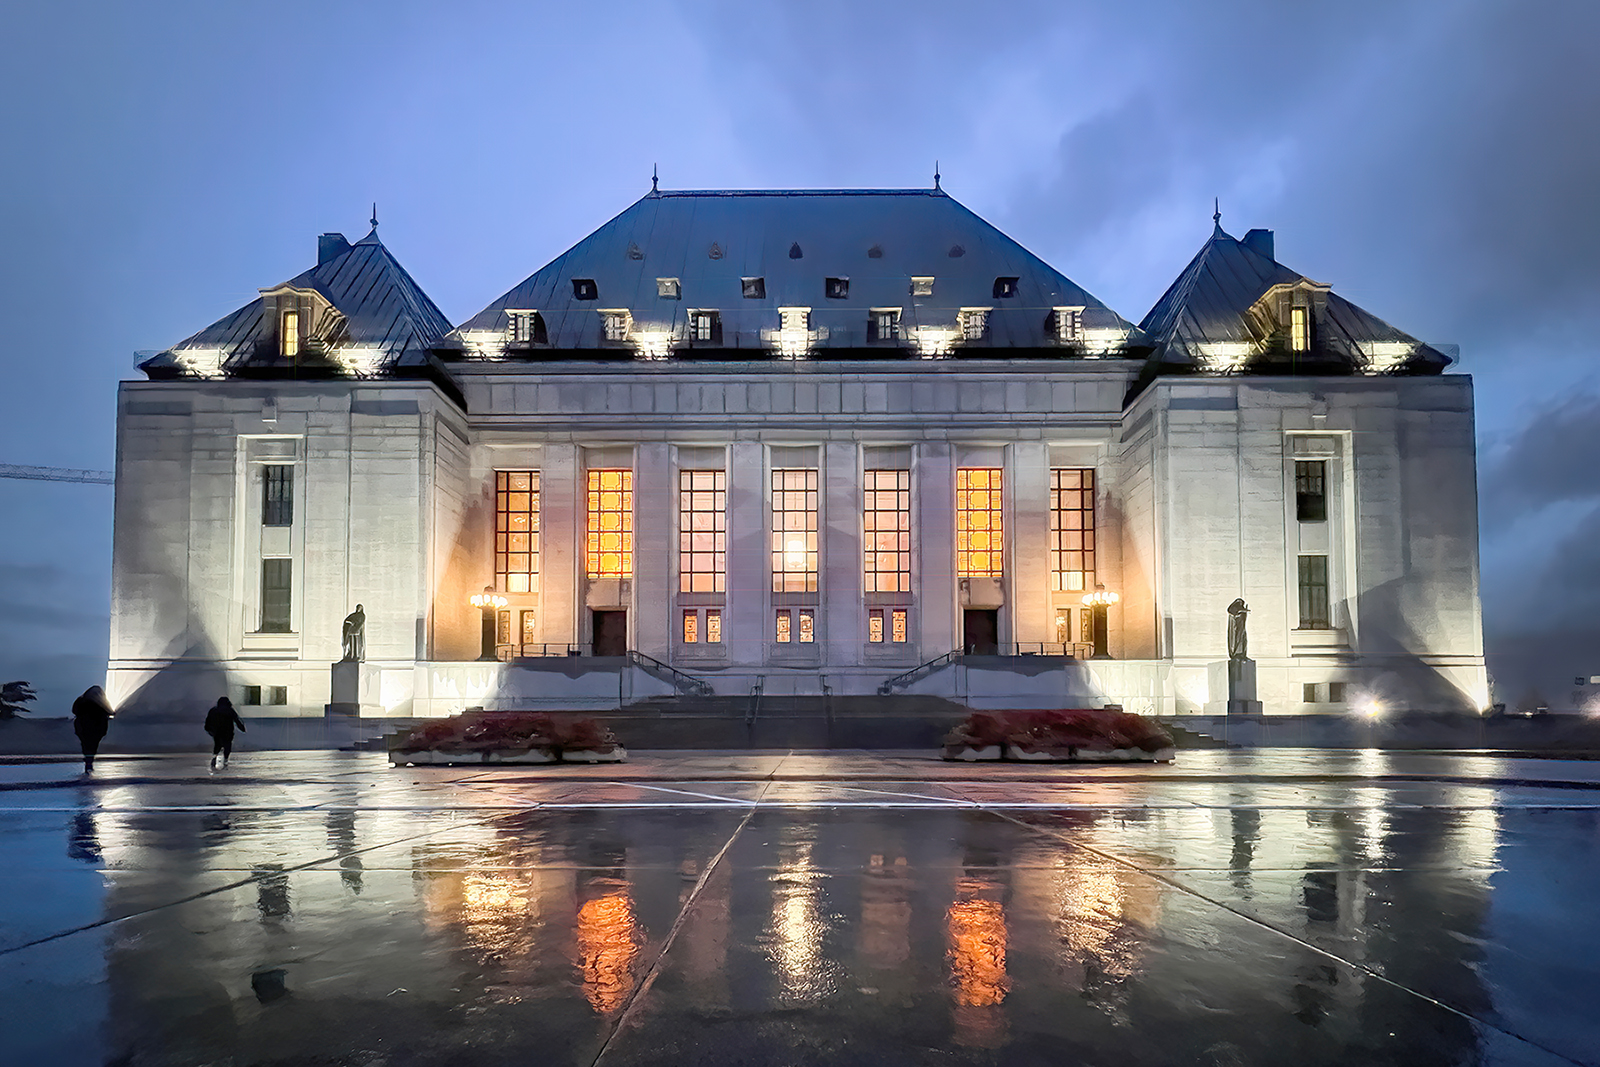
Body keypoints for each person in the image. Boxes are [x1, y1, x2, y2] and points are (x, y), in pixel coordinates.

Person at [71, 686, 113, 773]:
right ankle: (89, 761)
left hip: (84, 727)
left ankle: (88, 760)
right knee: (92, 745)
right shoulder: (100, 702)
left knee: (86, 744)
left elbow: (74, 711)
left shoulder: (82, 700)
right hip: (95, 727)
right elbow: (109, 711)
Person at [204, 697, 247, 769]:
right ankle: (225, 760)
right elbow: (236, 720)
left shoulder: (214, 710)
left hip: (217, 731)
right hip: (228, 731)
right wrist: (242, 728)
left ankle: (215, 757)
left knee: (217, 745)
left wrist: (208, 729)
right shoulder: (230, 711)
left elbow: (208, 721)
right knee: (227, 746)